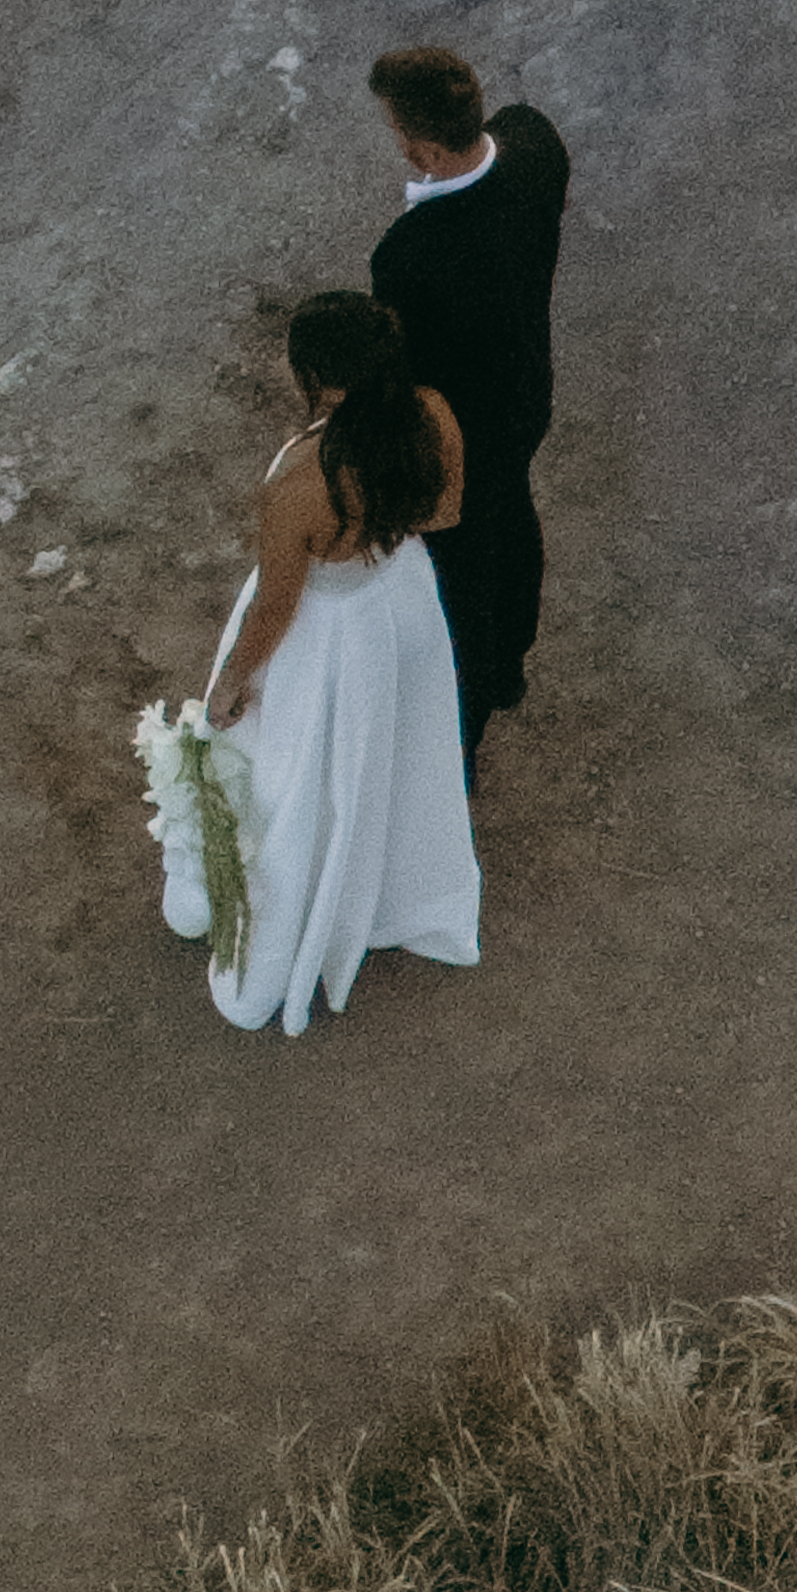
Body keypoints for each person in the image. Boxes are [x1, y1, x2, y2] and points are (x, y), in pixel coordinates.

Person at [161, 289, 483, 1041]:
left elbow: (275, 609)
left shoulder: (302, 480)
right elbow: (445, 512)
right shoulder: (430, 412)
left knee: (299, 769)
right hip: (399, 603)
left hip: (330, 633)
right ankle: (385, 891)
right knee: (392, 755)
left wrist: (228, 688)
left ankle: (302, 906)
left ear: (312, 375)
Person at [366, 40, 569, 741]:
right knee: (512, 514)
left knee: (465, 560)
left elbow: (408, 373)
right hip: (525, 392)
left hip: (465, 424)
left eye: (396, 131)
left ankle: (474, 695)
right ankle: (508, 660)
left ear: (422, 149)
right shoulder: (534, 143)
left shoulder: (409, 256)